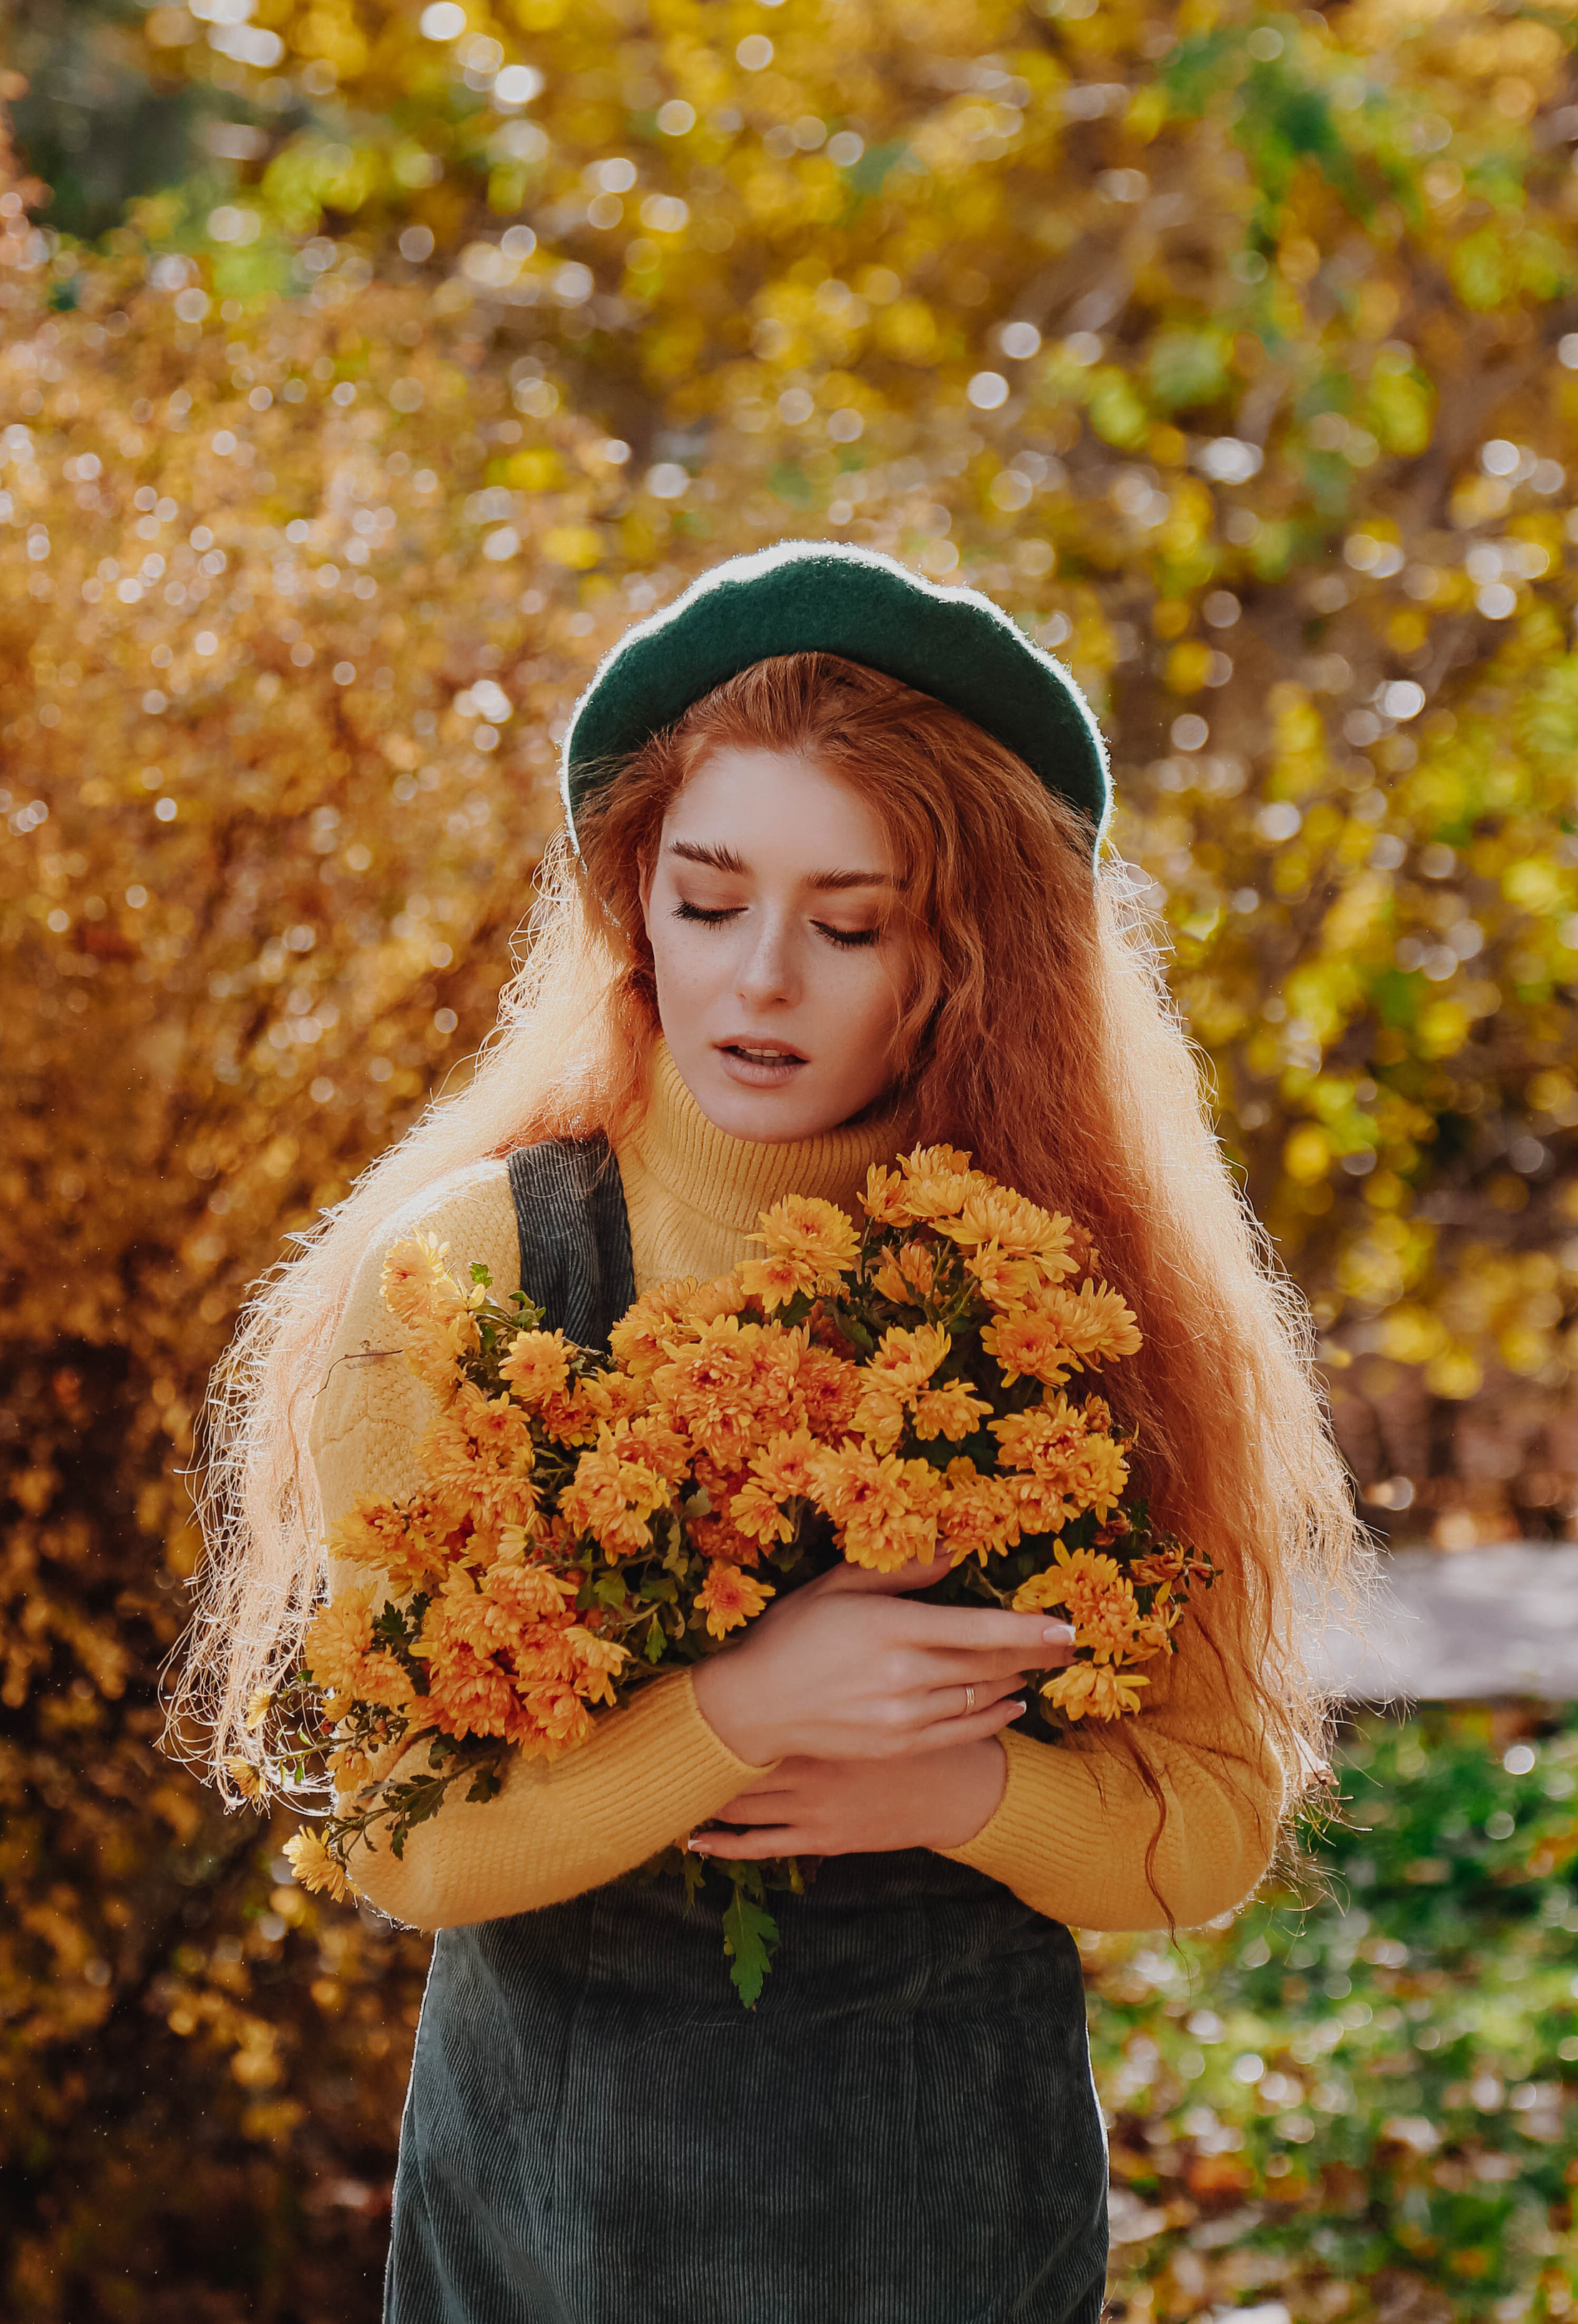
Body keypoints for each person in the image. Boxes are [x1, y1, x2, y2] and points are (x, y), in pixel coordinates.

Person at [181, 542, 1356, 2324]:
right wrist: (742, 1710)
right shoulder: (469, 1275)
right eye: (708, 897)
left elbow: (1199, 1831)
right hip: (548, 2226)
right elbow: (397, 1840)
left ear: (973, 952)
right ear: (629, 897)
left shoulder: (1085, 1306)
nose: (760, 979)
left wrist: (955, 1785)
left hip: (947, 2220)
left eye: (852, 919)